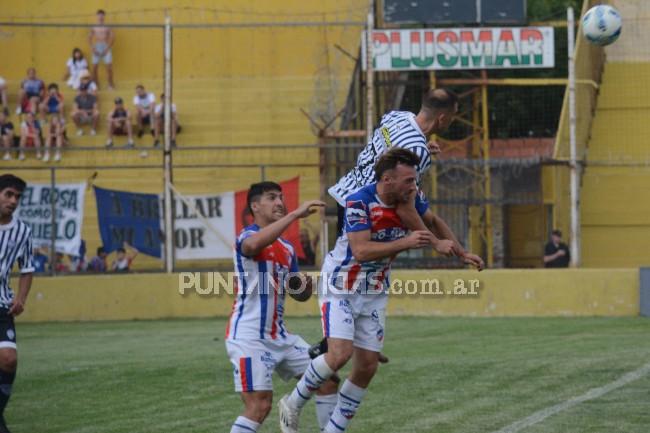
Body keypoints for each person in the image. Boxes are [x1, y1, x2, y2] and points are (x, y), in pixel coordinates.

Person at [279, 148, 476, 433]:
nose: (414, 185)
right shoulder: (358, 201)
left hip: (374, 292)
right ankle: (293, 403)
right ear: (387, 179)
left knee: (367, 366)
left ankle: (333, 430)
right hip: (341, 285)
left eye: (415, 179)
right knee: (339, 354)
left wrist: (461, 253)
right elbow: (360, 251)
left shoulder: (410, 197)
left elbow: (433, 222)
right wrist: (405, 242)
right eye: (408, 180)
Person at [328, 88, 484, 270]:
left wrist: (461, 253)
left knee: (355, 275)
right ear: (442, 119)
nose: (452, 120)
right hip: (366, 208)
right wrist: (435, 243)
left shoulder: (396, 116)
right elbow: (405, 208)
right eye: (453, 115)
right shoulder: (417, 153)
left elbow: (386, 148)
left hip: (345, 192)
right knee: (355, 274)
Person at [226, 182, 338, 433]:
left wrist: (305, 286)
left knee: (327, 381)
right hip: (248, 336)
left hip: (281, 337)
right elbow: (252, 247)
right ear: (254, 206)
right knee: (259, 405)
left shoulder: (287, 248)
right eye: (271, 198)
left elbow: (297, 292)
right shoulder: (247, 236)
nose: (279, 201)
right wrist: (295, 215)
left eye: (281, 197)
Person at [0, 174, 35, 433]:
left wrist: (21, 298)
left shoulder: (22, 231)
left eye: (17, 197)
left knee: (9, 360)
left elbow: (27, 268)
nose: (13, 201)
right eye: (8, 195)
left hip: (2, 303)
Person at [88, 9, 115, 91]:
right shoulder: (93, 27)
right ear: (96, 16)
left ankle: (111, 85)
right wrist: (93, 49)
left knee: (109, 68)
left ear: (104, 16)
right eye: (99, 14)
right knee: (94, 68)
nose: (100, 16)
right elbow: (89, 39)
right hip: (96, 47)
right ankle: (96, 86)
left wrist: (107, 48)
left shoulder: (108, 26)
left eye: (102, 15)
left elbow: (113, 38)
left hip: (105, 47)